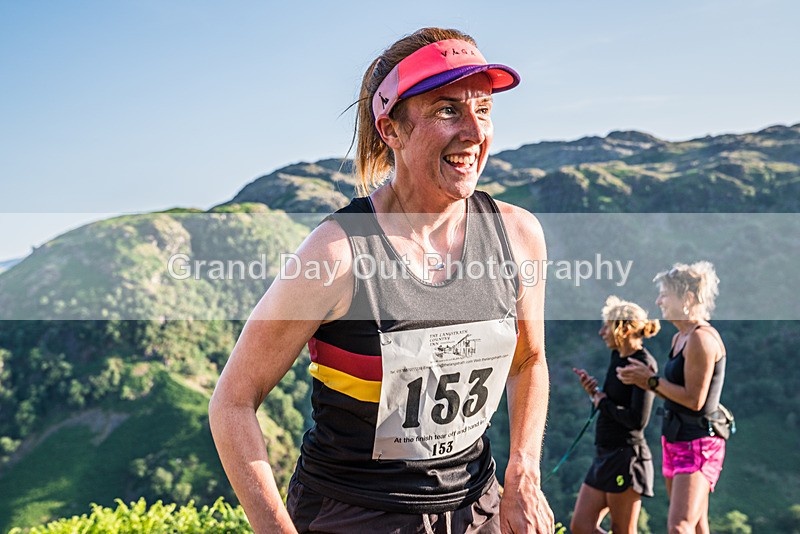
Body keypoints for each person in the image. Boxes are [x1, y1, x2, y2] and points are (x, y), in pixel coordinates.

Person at [208, 27, 554, 533]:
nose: (475, 133)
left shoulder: (519, 235)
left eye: (483, 109)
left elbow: (529, 359)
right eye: (447, 110)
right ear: (391, 129)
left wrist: (524, 468)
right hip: (353, 515)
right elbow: (233, 402)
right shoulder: (336, 253)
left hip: (477, 508)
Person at [617, 261, 726, 534]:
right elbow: (670, 389)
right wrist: (644, 380)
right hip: (676, 438)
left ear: (687, 299)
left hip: (698, 443)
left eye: (665, 294)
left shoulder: (701, 339)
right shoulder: (680, 337)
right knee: (697, 525)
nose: (659, 301)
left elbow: (695, 400)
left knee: (680, 527)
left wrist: (650, 381)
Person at [570, 296, 660, 534]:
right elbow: (613, 402)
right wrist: (595, 393)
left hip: (626, 457)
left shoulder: (643, 363)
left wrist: (602, 402)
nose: (601, 333)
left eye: (606, 326)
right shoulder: (617, 357)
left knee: (622, 530)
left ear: (624, 329)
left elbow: (637, 421)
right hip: (605, 454)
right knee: (581, 526)